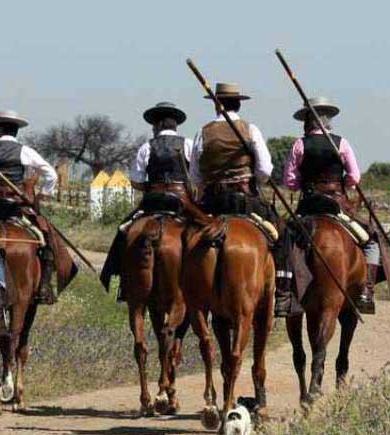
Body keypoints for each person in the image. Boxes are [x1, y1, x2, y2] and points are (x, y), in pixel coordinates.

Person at [190, 83, 290, 315]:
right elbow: (265, 170)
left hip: (213, 201)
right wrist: (251, 177)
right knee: (282, 233)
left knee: (186, 235)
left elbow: (196, 176)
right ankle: (283, 290)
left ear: (217, 105)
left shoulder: (202, 132)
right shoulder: (250, 129)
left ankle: (183, 290)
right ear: (238, 103)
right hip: (246, 200)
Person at [100, 101, 214, 295]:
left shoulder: (146, 147)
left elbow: (136, 180)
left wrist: (152, 187)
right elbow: (197, 175)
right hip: (182, 202)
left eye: (153, 125)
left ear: (158, 125)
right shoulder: (187, 144)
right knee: (206, 230)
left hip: (153, 201)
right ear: (175, 125)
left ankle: (121, 276)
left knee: (124, 228)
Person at [283, 96, 379, 313]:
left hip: (308, 204)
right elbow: (354, 177)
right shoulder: (342, 143)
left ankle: (285, 289)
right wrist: (340, 185)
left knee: (285, 240)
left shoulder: (299, 144)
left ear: (308, 121)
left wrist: (303, 184)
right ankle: (366, 291)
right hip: (336, 203)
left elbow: (290, 182)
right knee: (370, 240)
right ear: (328, 121)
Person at [0, 110, 62, 312]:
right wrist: (44, 195)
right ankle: (43, 286)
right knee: (45, 235)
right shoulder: (26, 151)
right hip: (15, 210)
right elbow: (51, 174)